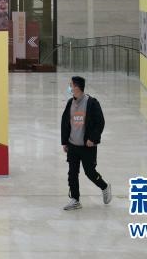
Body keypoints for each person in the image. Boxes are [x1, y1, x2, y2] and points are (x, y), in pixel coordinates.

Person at [61, 76, 111, 210]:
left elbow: (100, 122)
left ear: (77, 87)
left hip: (87, 146)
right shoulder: (70, 103)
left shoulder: (91, 103)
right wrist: (65, 142)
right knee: (72, 173)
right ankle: (75, 200)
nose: (69, 88)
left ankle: (104, 186)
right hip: (73, 145)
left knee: (90, 172)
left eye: (71, 85)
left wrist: (92, 139)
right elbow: (65, 123)